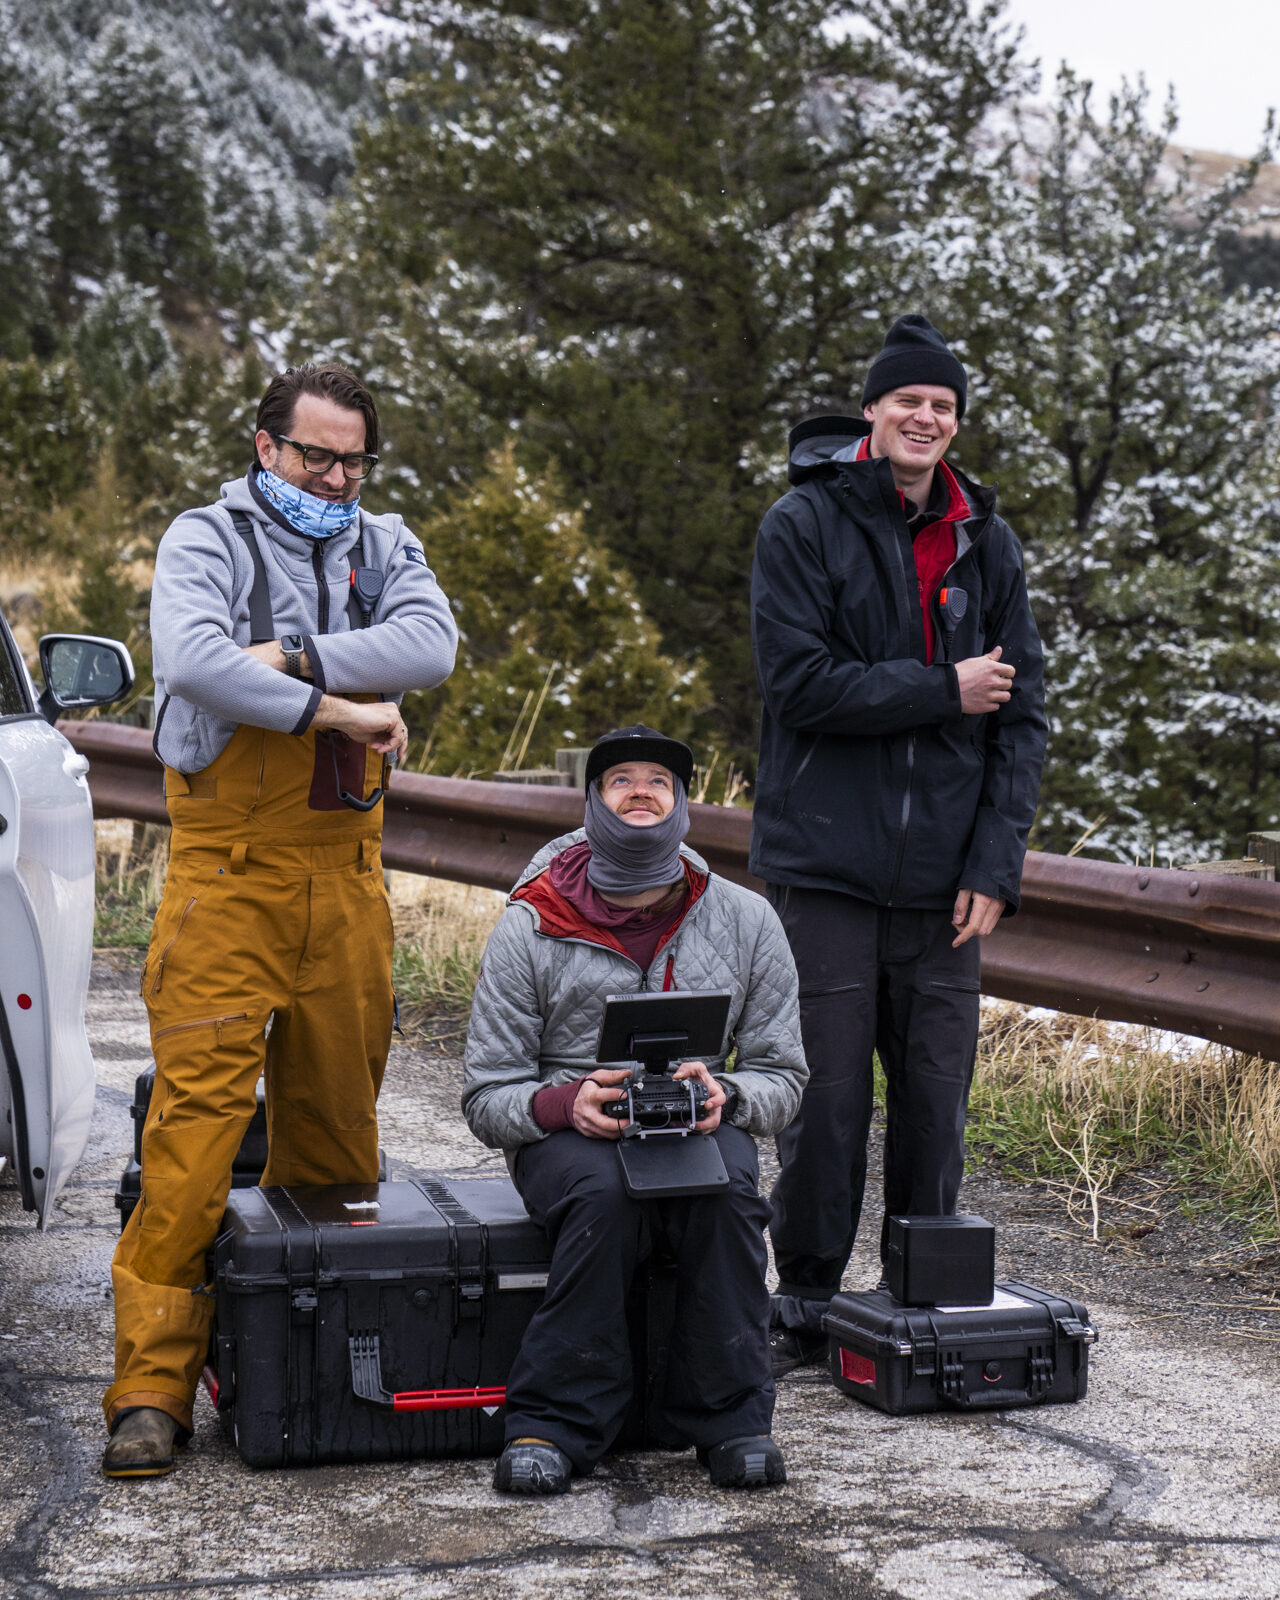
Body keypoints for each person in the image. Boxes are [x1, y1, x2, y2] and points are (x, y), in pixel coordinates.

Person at [102, 362, 458, 1477]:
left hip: (345, 883)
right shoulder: (203, 539)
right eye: (314, 454)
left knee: (339, 1142)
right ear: (266, 447)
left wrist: (298, 657)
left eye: (352, 457)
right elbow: (197, 664)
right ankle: (150, 1390)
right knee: (194, 1144)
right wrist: (342, 705)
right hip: (228, 882)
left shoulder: (382, 542)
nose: (335, 475)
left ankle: (322, 1367)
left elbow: (431, 643)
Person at [750, 314, 1047, 1373]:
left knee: (934, 1104)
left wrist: (991, 865)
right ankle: (807, 1304)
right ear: (871, 413)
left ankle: (917, 1299)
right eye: (907, 401)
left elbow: (1021, 720)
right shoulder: (801, 524)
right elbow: (797, 686)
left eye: (942, 407)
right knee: (825, 1106)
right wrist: (942, 687)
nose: (925, 418)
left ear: (953, 424)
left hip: (944, 888)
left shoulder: (986, 541)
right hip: (823, 869)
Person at [462, 725, 807, 1494]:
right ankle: (551, 1424)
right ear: (593, 803)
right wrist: (565, 1104)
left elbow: (784, 1075)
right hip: (571, 1129)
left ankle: (734, 1422)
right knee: (608, 1199)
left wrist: (730, 1093)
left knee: (723, 1197)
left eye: (660, 779)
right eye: (621, 780)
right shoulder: (533, 921)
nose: (642, 790)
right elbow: (487, 1095)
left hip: (701, 1118)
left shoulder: (747, 919)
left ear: (682, 803)